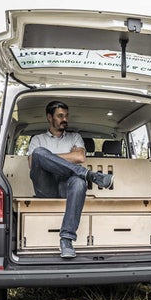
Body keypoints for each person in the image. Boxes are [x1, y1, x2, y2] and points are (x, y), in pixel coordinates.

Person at [28, 100, 113, 259]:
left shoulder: (75, 137)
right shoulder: (37, 140)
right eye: (60, 116)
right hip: (45, 186)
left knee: (79, 183)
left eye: (66, 116)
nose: (64, 119)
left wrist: (50, 158)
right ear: (49, 117)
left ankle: (66, 240)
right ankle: (89, 175)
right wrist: (64, 157)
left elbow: (79, 156)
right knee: (39, 153)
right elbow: (33, 162)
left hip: (66, 185)